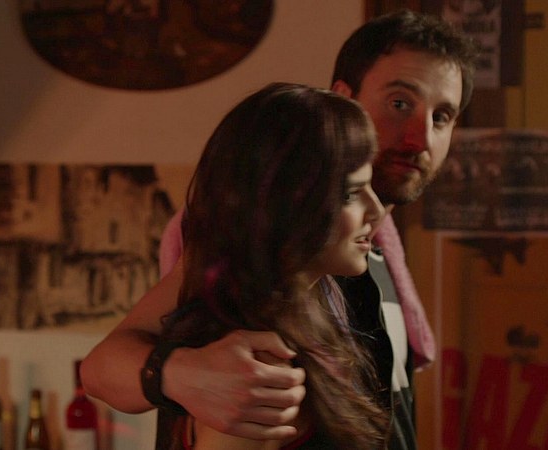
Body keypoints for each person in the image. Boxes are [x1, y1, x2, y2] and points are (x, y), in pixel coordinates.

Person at [82, 8, 479, 450]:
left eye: (442, 117)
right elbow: (102, 367)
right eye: (400, 104)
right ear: (344, 97)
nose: (420, 138)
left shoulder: (375, 246)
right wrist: (181, 374)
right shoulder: (249, 239)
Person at [158, 82, 387, 449]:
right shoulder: (257, 370)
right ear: (286, 205)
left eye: (370, 186)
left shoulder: (304, 318)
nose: (376, 211)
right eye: (349, 194)